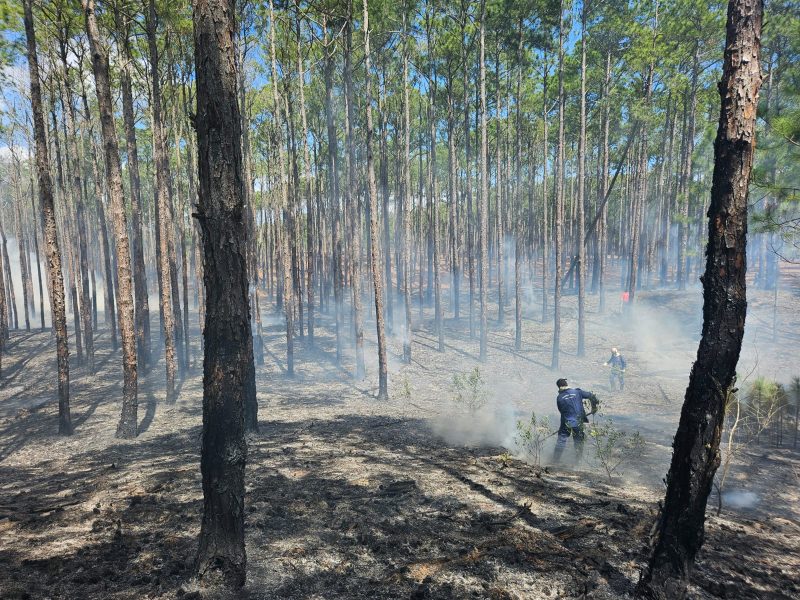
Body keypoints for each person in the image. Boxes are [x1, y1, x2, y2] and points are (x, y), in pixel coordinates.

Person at [552, 378, 599, 464]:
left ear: (559, 387)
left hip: (566, 421)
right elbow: (592, 396)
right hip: (577, 422)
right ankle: (578, 461)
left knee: (561, 440)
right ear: (566, 384)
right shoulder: (577, 392)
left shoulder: (559, 397)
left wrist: (562, 426)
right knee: (578, 441)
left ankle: (555, 460)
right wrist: (594, 407)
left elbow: (562, 411)